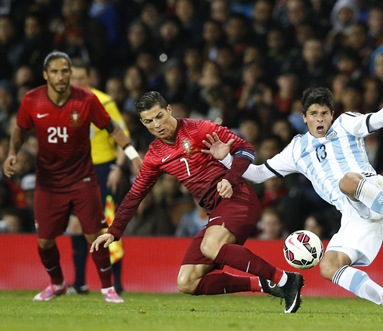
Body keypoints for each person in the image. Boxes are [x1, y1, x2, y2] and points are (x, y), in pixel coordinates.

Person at [203, 81, 383, 316]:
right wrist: (227, 160)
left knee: (347, 181)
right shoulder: (296, 150)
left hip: (372, 189)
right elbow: (257, 174)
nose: (320, 118)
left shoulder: (347, 123)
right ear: (304, 117)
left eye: (324, 113)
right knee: (329, 267)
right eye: (314, 113)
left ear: (332, 114)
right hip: (353, 214)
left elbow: (380, 118)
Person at [90, 91, 304, 314]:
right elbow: (135, 194)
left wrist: (230, 178)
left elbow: (245, 149)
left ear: (169, 110)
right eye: (149, 121)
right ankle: (264, 284)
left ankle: (284, 279)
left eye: (159, 116)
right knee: (187, 281)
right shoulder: (154, 154)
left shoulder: (199, 129)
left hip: (237, 199)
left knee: (210, 247)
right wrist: (113, 231)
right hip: (216, 211)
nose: (157, 125)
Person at [2, 51, 138, 303]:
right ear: (45, 75)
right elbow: (20, 130)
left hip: (83, 178)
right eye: (55, 71)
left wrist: (131, 155)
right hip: (48, 182)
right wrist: (12, 153)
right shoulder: (33, 100)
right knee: (44, 241)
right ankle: (57, 284)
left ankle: (108, 287)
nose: (61, 76)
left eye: (65, 71)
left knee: (95, 234)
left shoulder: (87, 99)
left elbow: (112, 128)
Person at [66, 59, 143, 295]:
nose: (77, 82)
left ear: (90, 79)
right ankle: (80, 283)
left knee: (106, 227)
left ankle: (116, 283)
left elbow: (122, 136)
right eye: (73, 78)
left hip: (101, 169)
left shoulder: (103, 101)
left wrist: (119, 168)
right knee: (76, 225)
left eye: (81, 78)